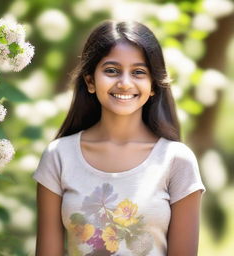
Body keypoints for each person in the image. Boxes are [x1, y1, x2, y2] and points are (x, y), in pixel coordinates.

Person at [33, 20, 206, 256]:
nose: (125, 83)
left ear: (153, 85)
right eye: (112, 70)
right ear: (90, 81)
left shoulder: (177, 161)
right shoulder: (58, 157)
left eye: (138, 72)